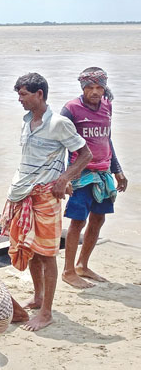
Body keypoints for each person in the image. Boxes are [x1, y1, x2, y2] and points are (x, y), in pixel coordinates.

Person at [1, 73, 91, 331]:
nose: (20, 99)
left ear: (39, 94)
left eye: (24, 94)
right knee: (29, 249)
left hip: (46, 198)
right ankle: (39, 297)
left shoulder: (59, 123)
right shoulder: (26, 121)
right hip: (22, 192)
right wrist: (62, 174)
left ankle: (47, 312)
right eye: (18, 94)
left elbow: (85, 154)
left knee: (47, 253)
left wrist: (64, 179)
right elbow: (44, 157)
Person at [60, 67, 128, 288]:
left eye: (99, 87)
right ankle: (68, 271)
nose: (95, 92)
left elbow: (107, 139)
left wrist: (117, 169)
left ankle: (83, 265)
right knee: (78, 221)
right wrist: (65, 178)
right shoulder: (71, 109)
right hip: (80, 175)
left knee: (98, 219)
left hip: (103, 172)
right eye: (90, 87)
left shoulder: (107, 106)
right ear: (83, 88)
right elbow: (60, 144)